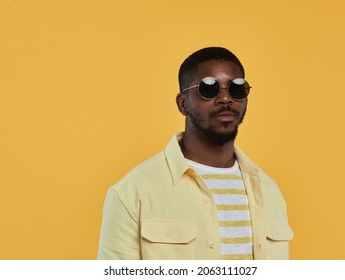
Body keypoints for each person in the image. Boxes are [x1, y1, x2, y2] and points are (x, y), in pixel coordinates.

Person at [97, 47, 293, 260]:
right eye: (209, 89)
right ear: (183, 103)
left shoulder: (269, 191)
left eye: (236, 89)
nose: (225, 98)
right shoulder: (132, 193)